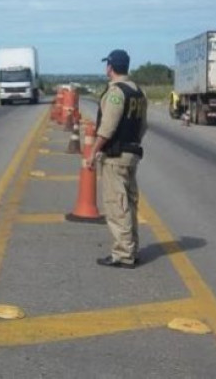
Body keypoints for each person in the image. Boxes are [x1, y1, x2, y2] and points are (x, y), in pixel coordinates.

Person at [89, 49, 148, 269]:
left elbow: (108, 127)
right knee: (129, 203)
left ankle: (123, 254)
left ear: (110, 67)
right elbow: (143, 126)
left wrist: (94, 151)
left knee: (117, 205)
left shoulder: (116, 93)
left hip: (115, 155)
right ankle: (132, 248)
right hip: (132, 153)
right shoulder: (138, 92)